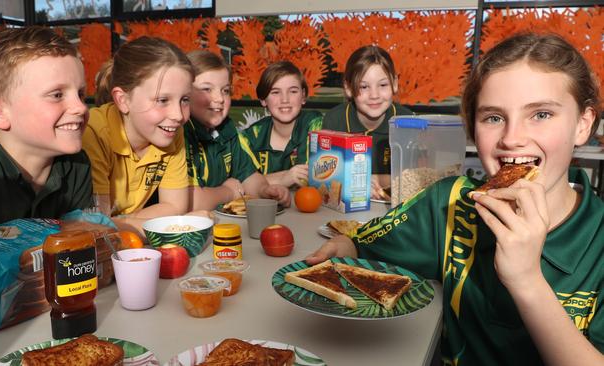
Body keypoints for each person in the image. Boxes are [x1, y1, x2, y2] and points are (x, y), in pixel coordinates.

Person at [307, 33, 603, 365]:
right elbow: (366, 243)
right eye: (493, 117)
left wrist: (527, 281)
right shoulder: (451, 203)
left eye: (541, 114)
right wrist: (347, 247)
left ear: (583, 123)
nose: (512, 138)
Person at [0, 27, 92, 236]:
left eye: (81, 94)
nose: (81, 107)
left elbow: (80, 246)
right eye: (56, 95)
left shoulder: (76, 165)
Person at [82, 37, 194, 234]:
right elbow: (97, 228)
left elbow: (176, 207)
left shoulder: (170, 131)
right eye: (162, 100)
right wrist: (182, 226)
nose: (178, 115)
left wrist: (121, 222)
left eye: (184, 99)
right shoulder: (94, 134)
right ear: (123, 100)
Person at [184, 50, 291, 210]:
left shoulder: (227, 129)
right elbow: (189, 201)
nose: (220, 98)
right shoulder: (180, 134)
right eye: (207, 89)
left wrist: (265, 190)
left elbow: (248, 175)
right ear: (184, 93)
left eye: (225, 91)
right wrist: (228, 192)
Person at [322, 45, 414, 201]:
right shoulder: (334, 121)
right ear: (349, 88)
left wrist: (365, 180)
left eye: (383, 85)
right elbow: (323, 178)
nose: (374, 95)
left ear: (395, 83)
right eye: (364, 87)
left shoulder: (407, 122)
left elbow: (415, 178)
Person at [242, 61, 322, 188]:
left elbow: (312, 175)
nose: (285, 99)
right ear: (263, 100)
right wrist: (284, 178)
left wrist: (262, 181)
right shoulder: (252, 136)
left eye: (293, 91)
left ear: (303, 96)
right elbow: (238, 183)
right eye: (275, 92)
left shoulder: (314, 124)